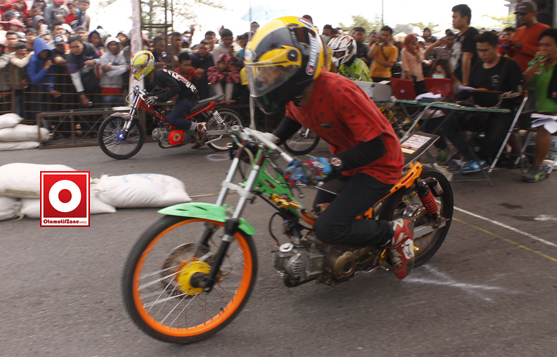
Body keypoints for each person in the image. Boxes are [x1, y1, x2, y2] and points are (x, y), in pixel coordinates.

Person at [244, 16, 414, 280]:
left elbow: (376, 147)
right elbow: (293, 117)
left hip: (378, 166)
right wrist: (270, 141)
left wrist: (328, 165)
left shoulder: (339, 90)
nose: (264, 78)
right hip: (346, 164)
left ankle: (394, 232)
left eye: (271, 70)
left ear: (298, 67)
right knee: (313, 220)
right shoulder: (296, 94)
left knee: (328, 228)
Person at [444, 31, 524, 174]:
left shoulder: (509, 65)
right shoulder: (477, 66)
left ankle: (480, 159)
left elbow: (519, 93)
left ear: (496, 47)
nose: (481, 54)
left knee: (493, 136)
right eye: (479, 50)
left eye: (485, 50)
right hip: (479, 112)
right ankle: (473, 159)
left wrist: (492, 94)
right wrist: (452, 95)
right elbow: (470, 89)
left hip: (502, 113)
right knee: (448, 123)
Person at [132, 50, 207, 148]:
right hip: (184, 96)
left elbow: (175, 89)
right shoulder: (157, 75)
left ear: (147, 66)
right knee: (169, 118)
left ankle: (198, 127)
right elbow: (167, 90)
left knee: (172, 119)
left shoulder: (159, 75)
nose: (137, 70)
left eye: (139, 67)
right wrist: (152, 95)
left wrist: (156, 97)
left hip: (189, 97)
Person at [522, 28, 557, 182]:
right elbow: (524, 82)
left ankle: (537, 166)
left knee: (544, 127)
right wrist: (536, 63)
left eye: (548, 45)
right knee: (514, 121)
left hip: (553, 113)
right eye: (541, 45)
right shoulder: (539, 66)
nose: (543, 48)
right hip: (541, 112)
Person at [506, 0, 550, 72]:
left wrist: (523, 46)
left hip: (533, 73)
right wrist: (508, 48)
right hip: (516, 71)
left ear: (534, 12)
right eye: (519, 14)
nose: (521, 16)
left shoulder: (544, 29)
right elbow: (513, 55)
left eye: (523, 13)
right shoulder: (518, 30)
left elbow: (547, 52)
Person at [450, 4, 478, 86]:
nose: (453, 20)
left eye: (455, 17)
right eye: (452, 18)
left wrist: (465, 82)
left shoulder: (471, 33)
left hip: (465, 81)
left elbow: (467, 58)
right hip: (455, 78)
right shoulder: (456, 36)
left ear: (465, 18)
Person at [98, 37, 127, 108]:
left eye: (115, 44)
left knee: (119, 110)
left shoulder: (122, 56)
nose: (114, 46)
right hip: (107, 89)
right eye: (111, 44)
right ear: (107, 46)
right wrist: (124, 68)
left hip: (119, 89)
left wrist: (111, 67)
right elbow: (110, 74)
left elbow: (125, 66)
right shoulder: (103, 57)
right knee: (107, 110)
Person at [9, 42, 31, 118]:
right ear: (15, 53)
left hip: (27, 88)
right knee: (17, 110)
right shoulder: (12, 58)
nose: (22, 56)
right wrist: (29, 56)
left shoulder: (29, 58)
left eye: (24, 54)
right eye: (19, 54)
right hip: (15, 88)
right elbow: (21, 64)